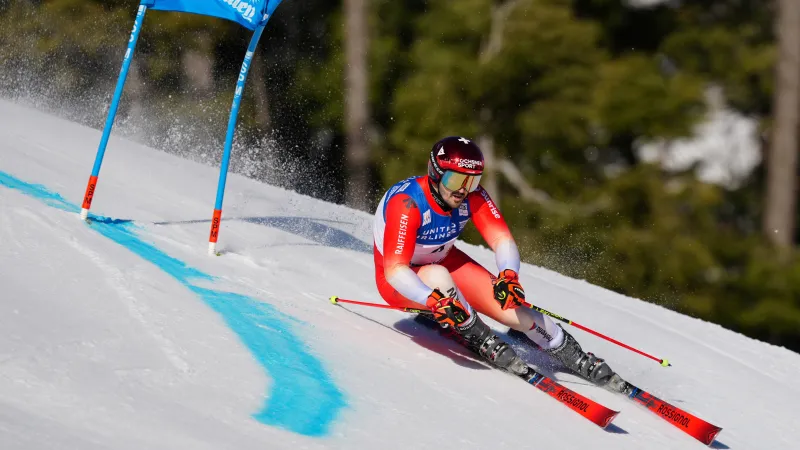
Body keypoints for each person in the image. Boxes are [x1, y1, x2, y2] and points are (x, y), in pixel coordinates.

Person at [372, 136, 615, 384]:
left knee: (512, 311)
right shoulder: (408, 204)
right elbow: (395, 270)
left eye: (472, 180)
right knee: (438, 279)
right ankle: (478, 334)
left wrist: (508, 275)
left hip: (445, 260)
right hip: (401, 280)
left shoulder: (472, 195)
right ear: (436, 172)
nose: (462, 189)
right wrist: (431, 299)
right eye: (455, 179)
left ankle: (570, 351)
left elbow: (502, 240)